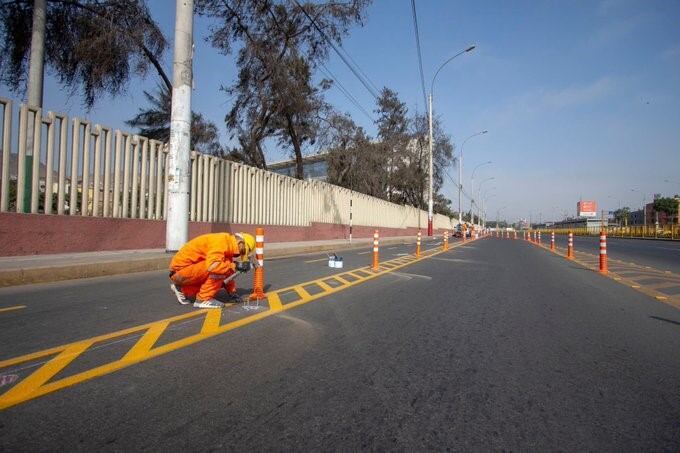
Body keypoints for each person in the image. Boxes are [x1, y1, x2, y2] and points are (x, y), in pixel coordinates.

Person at [169, 232, 256, 309]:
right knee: (219, 270)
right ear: (240, 243)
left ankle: (182, 289)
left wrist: (232, 293)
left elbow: (228, 272)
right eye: (243, 251)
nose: (240, 254)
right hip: (180, 271)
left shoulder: (227, 245)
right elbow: (213, 267)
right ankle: (203, 299)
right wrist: (236, 266)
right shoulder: (221, 242)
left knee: (225, 267)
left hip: (185, 272)